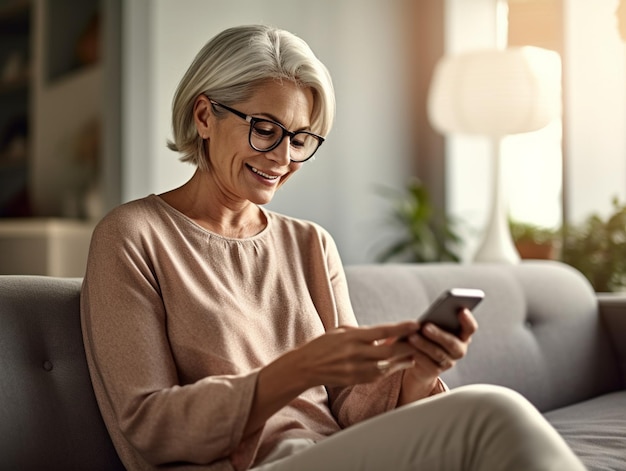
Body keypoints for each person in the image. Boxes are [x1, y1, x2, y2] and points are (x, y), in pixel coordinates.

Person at [80, 24, 586, 471]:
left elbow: (351, 404)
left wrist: (417, 374)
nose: (283, 157)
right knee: (491, 415)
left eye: (300, 138)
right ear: (205, 115)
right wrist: (298, 370)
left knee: (488, 409)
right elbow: (148, 425)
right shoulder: (133, 236)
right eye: (265, 129)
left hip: (334, 454)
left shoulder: (309, 244)